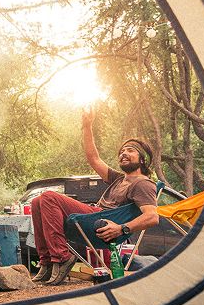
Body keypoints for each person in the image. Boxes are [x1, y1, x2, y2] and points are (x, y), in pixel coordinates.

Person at [31, 108, 160, 286]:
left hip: (103, 221)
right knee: (37, 201)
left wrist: (122, 229)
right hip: (95, 217)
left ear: (143, 159)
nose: (123, 153)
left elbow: (152, 217)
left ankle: (61, 258)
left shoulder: (143, 184)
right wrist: (87, 126)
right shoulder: (119, 179)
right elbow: (94, 158)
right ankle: (46, 261)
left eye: (130, 150)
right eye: (122, 151)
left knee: (49, 197)